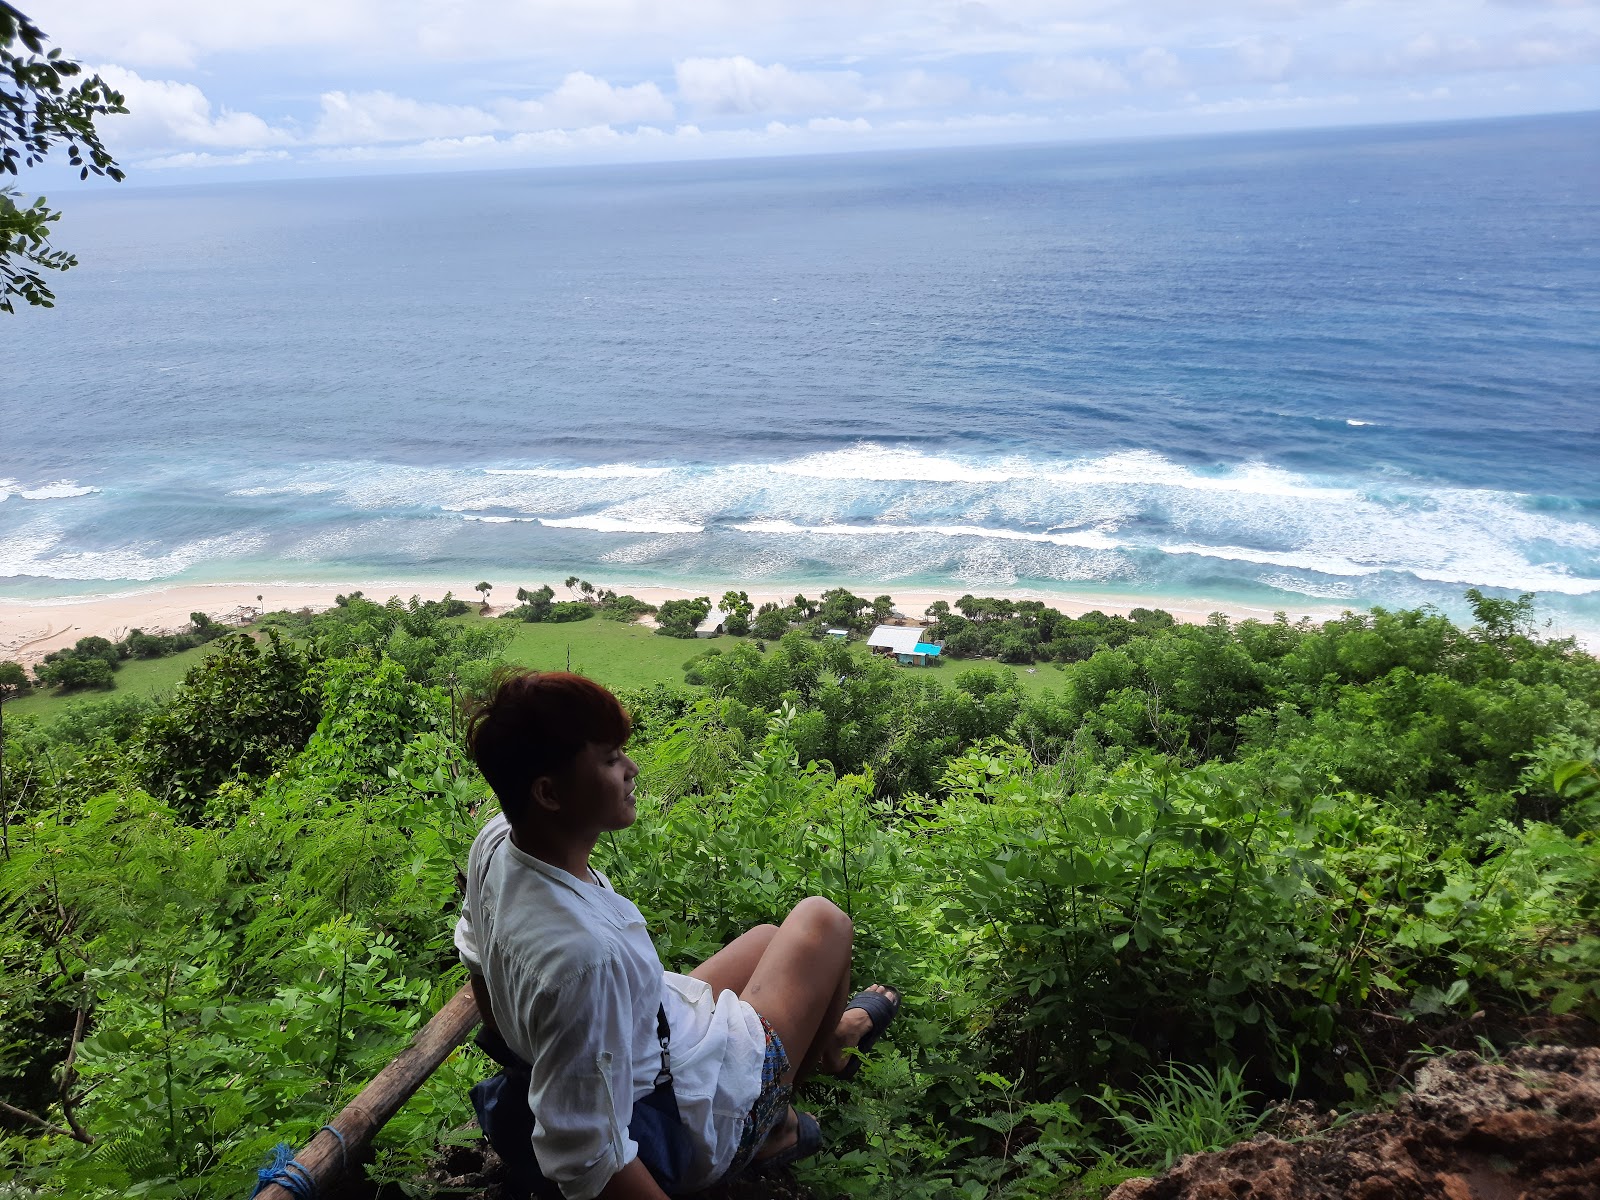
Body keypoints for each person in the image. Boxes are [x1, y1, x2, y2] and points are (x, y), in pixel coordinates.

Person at [454, 670, 900, 1200]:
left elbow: (476, 955)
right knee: (822, 921)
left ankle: (828, 1044)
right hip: (681, 1109)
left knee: (767, 938)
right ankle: (771, 1127)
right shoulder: (584, 959)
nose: (631, 768)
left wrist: (525, 1050)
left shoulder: (498, 843)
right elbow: (585, 1154)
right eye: (610, 759)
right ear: (549, 793)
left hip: (653, 1040)